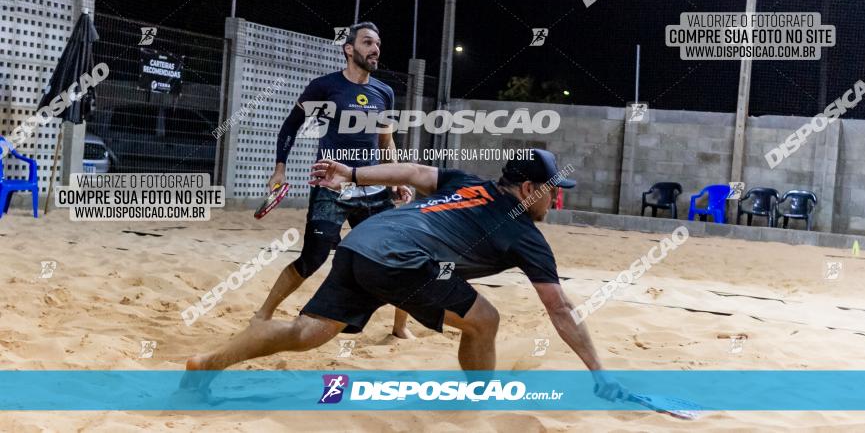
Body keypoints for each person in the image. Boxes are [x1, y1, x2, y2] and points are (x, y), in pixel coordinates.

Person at [185, 149, 627, 402]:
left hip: (364, 241)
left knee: (308, 332)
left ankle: (207, 364)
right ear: (529, 190)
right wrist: (600, 375)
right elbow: (562, 309)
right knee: (485, 321)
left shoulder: (466, 181)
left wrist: (354, 174)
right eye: (551, 193)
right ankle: (478, 405)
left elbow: (414, 173)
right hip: (401, 257)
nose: (554, 202)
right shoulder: (523, 233)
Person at [259, 21, 414, 338]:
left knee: (401, 253)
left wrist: (396, 176)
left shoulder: (384, 92)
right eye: (368, 42)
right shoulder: (324, 87)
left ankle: (399, 329)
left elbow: (386, 141)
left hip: (371, 187)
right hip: (331, 187)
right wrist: (279, 168)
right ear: (349, 49)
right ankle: (263, 314)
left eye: (378, 44)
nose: (375, 49)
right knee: (312, 258)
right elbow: (291, 126)